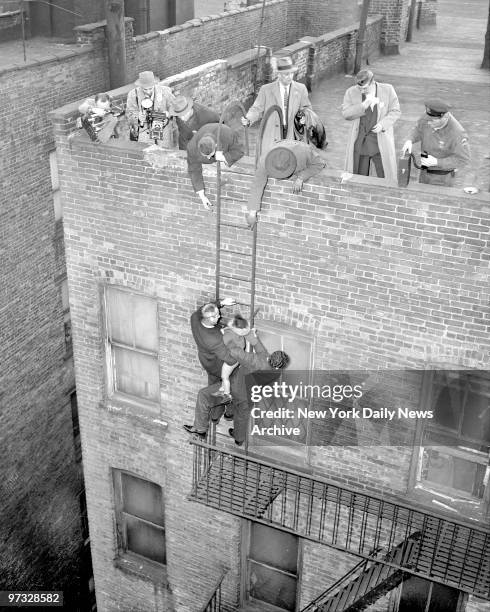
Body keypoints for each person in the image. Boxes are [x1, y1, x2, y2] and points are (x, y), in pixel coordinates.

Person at [184, 320, 289, 445]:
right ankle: (238, 438)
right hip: (249, 396)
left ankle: (200, 429)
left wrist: (228, 338)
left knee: (204, 395)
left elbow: (237, 353)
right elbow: (260, 350)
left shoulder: (256, 361)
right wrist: (251, 335)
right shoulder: (275, 373)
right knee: (241, 416)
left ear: (271, 357)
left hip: (234, 390)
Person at [245, 140, 326, 229]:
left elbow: (320, 164)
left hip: (297, 148)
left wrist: (301, 177)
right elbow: (257, 185)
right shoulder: (264, 162)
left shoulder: (304, 152)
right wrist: (252, 213)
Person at [241, 56, 312, 154]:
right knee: (272, 163)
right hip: (272, 135)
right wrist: (248, 119)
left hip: (292, 134)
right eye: (286, 74)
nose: (290, 77)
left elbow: (307, 108)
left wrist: (305, 116)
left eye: (291, 73)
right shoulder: (266, 90)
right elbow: (256, 109)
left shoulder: (301, 89)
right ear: (279, 74)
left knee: (290, 163)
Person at [342, 69, 401, 183]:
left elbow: (395, 111)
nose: (362, 91)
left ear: (373, 82)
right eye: (360, 88)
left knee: (385, 173)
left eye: (365, 88)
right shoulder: (351, 92)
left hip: (379, 139)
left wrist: (382, 125)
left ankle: (386, 192)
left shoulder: (387, 90)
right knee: (357, 173)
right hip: (360, 140)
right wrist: (363, 105)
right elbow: (346, 114)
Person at [401, 98, 471, 188]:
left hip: (442, 179)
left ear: (445, 117)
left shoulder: (457, 133)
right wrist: (409, 140)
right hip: (424, 173)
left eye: (432, 121)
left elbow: (463, 160)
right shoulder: (428, 116)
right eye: (427, 119)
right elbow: (418, 128)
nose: (428, 123)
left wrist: (437, 162)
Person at [186, 123, 244, 210]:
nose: (209, 158)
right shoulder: (192, 147)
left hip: (222, 131)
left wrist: (225, 157)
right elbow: (194, 170)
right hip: (205, 129)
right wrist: (202, 196)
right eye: (206, 156)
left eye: (210, 154)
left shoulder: (227, 134)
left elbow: (239, 150)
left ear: (216, 146)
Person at [126, 71, 176, 146]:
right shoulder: (133, 94)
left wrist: (168, 114)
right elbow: (129, 114)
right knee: (147, 154)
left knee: (163, 154)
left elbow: (174, 107)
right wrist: (138, 117)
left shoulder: (165, 91)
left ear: (154, 84)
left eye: (150, 88)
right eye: (145, 89)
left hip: (163, 131)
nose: (148, 91)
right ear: (140, 86)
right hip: (144, 132)